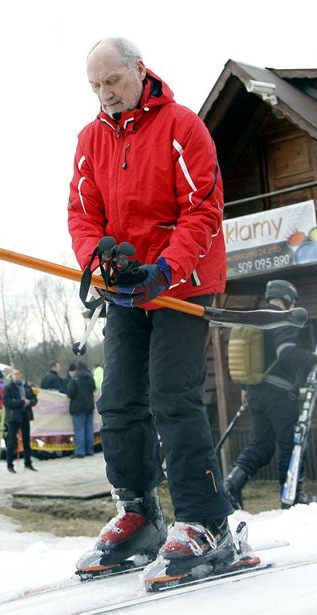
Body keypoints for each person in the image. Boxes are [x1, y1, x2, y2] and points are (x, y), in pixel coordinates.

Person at [67, 37, 232, 575]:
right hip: (127, 288)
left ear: (139, 70)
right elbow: (83, 214)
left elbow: (203, 210)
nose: (105, 94)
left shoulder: (182, 126)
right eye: (95, 86)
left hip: (181, 283)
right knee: (117, 400)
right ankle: (139, 512)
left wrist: (166, 270)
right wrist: (99, 263)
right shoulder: (91, 139)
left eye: (112, 81)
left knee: (171, 395)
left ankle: (206, 521)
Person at [224, 280, 317, 509]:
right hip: (279, 395)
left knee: (262, 445)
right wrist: (314, 358)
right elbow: (286, 353)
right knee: (291, 444)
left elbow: (252, 357)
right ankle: (291, 496)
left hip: (256, 393)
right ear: (288, 298)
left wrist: (245, 388)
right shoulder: (283, 318)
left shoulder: (258, 318)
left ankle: (231, 484)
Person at [3, 368, 38, 473]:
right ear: (11, 376)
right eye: (14, 374)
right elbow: (6, 402)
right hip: (13, 417)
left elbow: (34, 399)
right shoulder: (8, 387)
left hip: (25, 415)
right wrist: (20, 402)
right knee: (12, 442)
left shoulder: (26, 386)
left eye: (18, 374)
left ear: (21, 375)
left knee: (27, 441)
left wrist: (30, 402)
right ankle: (10, 465)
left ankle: (28, 463)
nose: (16, 376)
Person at [66, 361, 96, 458]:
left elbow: (70, 393)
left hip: (77, 408)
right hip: (89, 406)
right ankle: (90, 450)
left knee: (79, 430)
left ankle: (80, 451)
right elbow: (94, 389)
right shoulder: (90, 377)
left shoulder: (74, 379)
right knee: (89, 428)